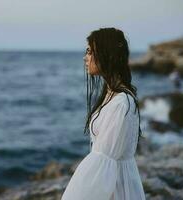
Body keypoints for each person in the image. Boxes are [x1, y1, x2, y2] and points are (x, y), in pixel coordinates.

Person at [61, 28, 146, 200]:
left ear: (107, 54)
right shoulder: (113, 96)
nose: (86, 57)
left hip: (116, 189)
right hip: (118, 183)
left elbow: (102, 165)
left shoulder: (120, 103)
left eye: (90, 52)